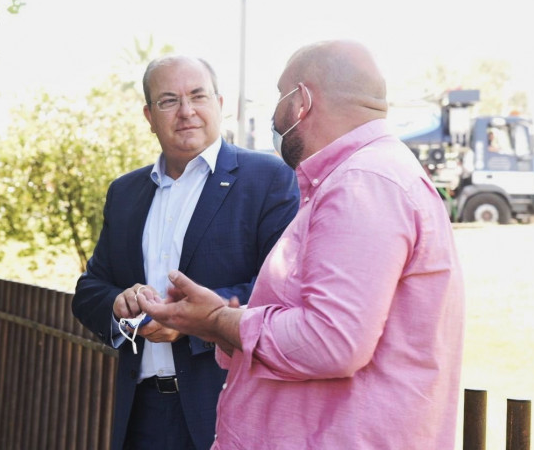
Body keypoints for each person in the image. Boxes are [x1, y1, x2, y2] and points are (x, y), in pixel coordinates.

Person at [137, 40, 465, 449]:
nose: (275, 114)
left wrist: (219, 321)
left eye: (279, 96)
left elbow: (330, 341)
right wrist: (217, 319)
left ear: (301, 101)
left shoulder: (363, 183)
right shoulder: (360, 177)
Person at [71, 55, 300, 450]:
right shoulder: (125, 192)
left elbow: (283, 290)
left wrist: (197, 321)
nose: (187, 111)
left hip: (227, 407)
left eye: (198, 95)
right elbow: (90, 289)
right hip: (141, 412)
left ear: (220, 103)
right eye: (169, 100)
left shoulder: (269, 178)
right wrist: (120, 307)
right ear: (149, 114)